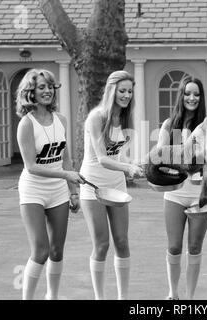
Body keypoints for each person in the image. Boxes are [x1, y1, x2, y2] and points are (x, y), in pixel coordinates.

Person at [16, 68, 84, 300]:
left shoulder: (61, 120)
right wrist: (67, 177)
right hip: (33, 190)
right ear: (31, 92)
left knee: (56, 251)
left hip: (58, 192)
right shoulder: (26, 124)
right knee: (41, 250)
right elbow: (31, 166)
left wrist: (73, 193)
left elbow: (65, 159)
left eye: (50, 87)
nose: (47, 91)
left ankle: (52, 297)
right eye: (41, 87)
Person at [79, 70, 143, 300]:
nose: (126, 95)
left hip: (116, 186)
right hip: (92, 187)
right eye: (122, 90)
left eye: (129, 91)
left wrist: (134, 165)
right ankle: (99, 298)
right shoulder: (96, 117)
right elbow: (103, 158)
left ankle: (123, 298)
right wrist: (128, 170)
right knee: (102, 244)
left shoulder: (126, 119)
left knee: (122, 241)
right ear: (111, 90)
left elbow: (119, 156)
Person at [157, 76, 207, 300]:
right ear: (181, 95)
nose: (192, 98)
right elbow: (159, 154)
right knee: (175, 246)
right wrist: (185, 158)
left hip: (200, 195)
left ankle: (189, 298)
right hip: (175, 193)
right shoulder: (169, 125)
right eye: (187, 93)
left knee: (195, 247)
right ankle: (173, 293)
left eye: (196, 94)